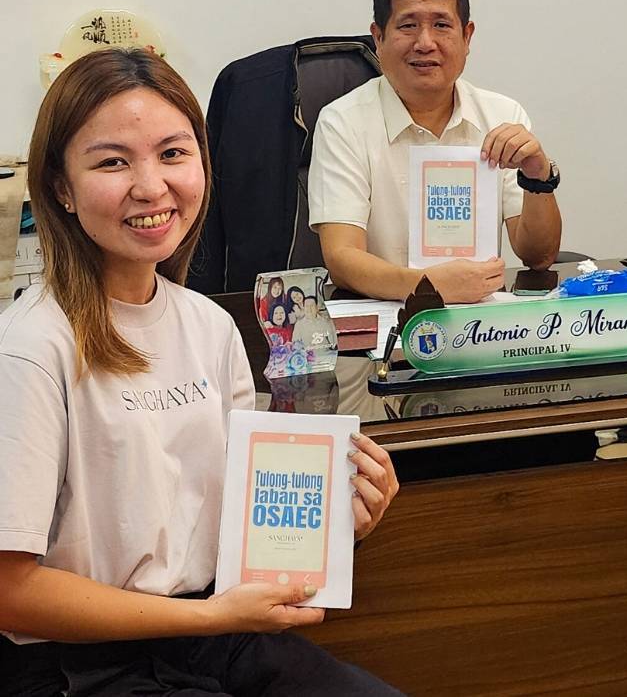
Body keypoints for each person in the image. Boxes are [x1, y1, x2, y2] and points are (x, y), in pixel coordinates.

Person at [0, 47, 403, 696]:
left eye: (172, 153)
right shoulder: (31, 349)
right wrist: (208, 614)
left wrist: (334, 524)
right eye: (112, 161)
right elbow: (10, 592)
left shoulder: (208, 326)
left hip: (212, 638)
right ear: (60, 187)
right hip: (76, 665)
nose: (151, 186)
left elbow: (239, 525)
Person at [309, 0, 563, 304]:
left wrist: (538, 175)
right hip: (390, 319)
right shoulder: (342, 121)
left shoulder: (503, 115)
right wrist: (428, 285)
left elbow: (538, 256)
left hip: (485, 323)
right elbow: (341, 258)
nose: (425, 42)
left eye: (442, 25)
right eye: (408, 26)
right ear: (378, 37)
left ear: (466, 36)